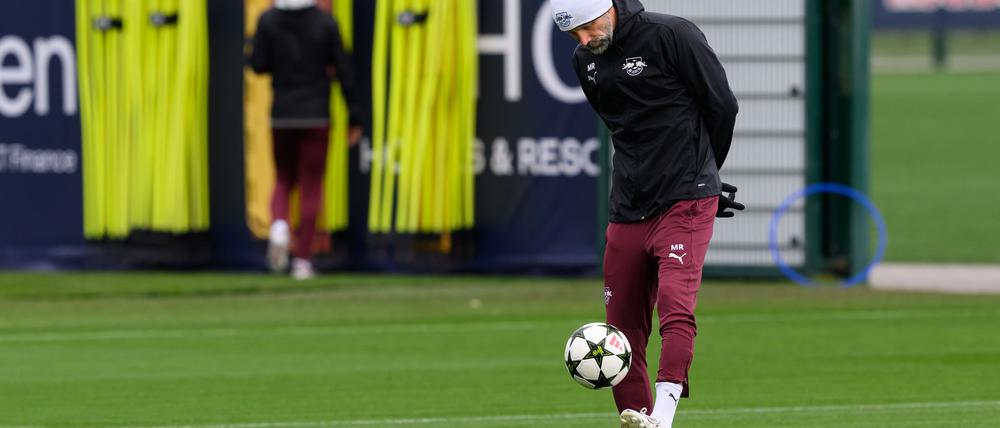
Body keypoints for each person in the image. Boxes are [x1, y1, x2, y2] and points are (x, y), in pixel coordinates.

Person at [552, 0, 744, 426]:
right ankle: (637, 418)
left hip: (685, 200)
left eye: (587, 27)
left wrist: (705, 176)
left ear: (608, 7)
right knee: (620, 329)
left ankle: (664, 414)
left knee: (676, 305)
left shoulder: (672, 35)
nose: (584, 41)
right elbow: (622, 129)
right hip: (627, 207)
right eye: (572, 35)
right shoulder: (585, 61)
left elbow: (722, 107)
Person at [250, 0, 363, 280]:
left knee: (283, 178)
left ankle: (278, 225)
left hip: (282, 114)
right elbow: (345, 71)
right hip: (316, 115)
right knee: (311, 184)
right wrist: (355, 116)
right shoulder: (325, 22)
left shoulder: (267, 20)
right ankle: (302, 260)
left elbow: (258, 64)